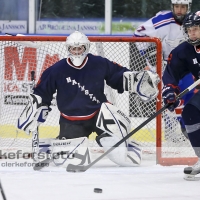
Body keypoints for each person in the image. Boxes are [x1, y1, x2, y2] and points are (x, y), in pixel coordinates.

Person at [17, 31, 160, 167]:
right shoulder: (56, 70)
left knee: (122, 157)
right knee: (76, 161)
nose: (77, 52)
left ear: (87, 47)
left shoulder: (99, 63)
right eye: (74, 49)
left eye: (80, 48)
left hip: (100, 115)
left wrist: (139, 80)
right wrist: (35, 111)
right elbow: (42, 94)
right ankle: (54, 145)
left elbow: (119, 76)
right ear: (68, 49)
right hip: (72, 121)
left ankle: (126, 145)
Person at [134, 0, 194, 137]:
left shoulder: (194, 21)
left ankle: (188, 129)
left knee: (190, 97)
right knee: (170, 99)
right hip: (167, 67)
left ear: (188, 7)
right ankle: (172, 133)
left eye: (183, 7)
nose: (179, 10)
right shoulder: (161, 21)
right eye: (177, 6)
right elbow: (138, 33)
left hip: (187, 67)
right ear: (172, 6)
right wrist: (150, 53)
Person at [162, 11, 200, 180]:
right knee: (189, 113)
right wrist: (170, 92)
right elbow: (171, 74)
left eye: (196, 29)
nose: (192, 33)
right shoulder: (184, 50)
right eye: (189, 29)